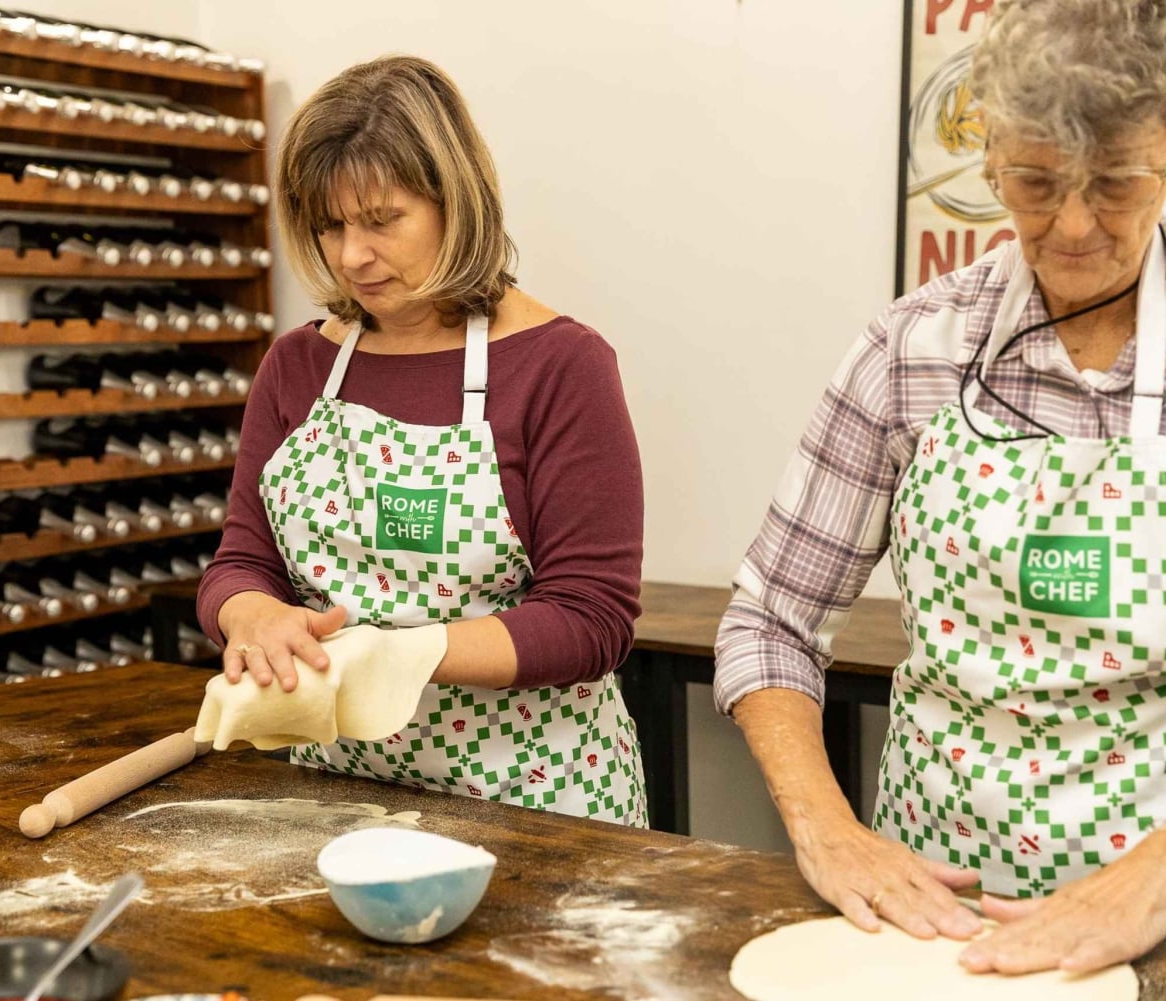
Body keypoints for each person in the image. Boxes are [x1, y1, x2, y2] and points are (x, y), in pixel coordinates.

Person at [717, 0, 1166, 974]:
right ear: (991, 157)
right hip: (930, 921)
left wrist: (1155, 876)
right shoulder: (915, 347)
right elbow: (771, 620)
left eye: (1115, 184)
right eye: (1038, 183)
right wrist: (828, 827)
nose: (1075, 226)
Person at [196, 55, 647, 827]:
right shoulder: (297, 367)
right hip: (341, 799)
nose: (351, 256)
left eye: (381, 220)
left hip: (537, 807)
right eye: (330, 225)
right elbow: (241, 561)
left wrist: (407, 654)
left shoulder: (562, 366)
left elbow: (591, 617)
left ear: (454, 203)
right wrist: (250, 615)